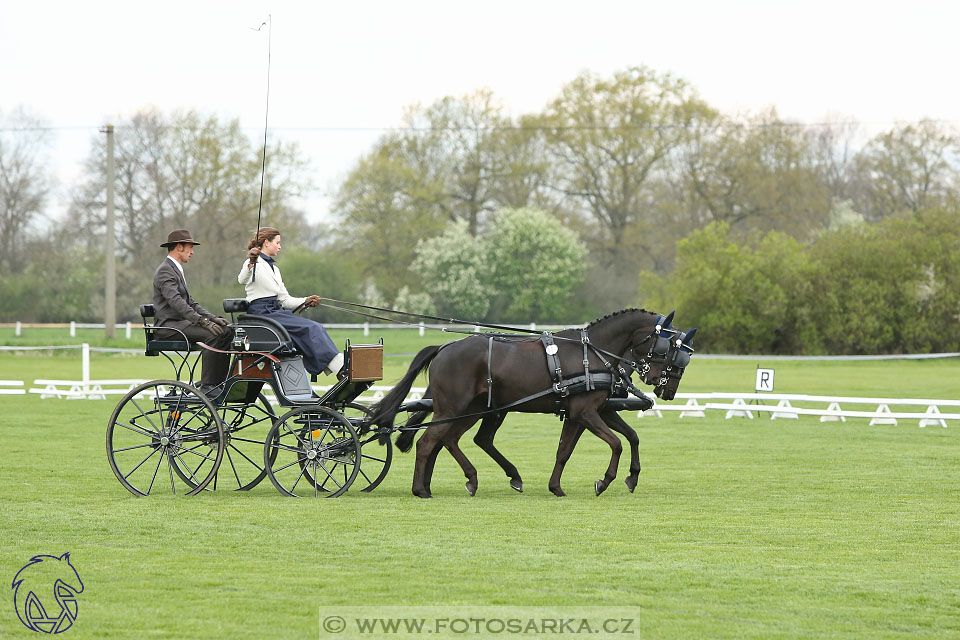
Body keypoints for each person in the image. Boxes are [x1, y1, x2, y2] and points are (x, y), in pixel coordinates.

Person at [238, 227, 344, 377]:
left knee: (315, 327)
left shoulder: (275, 269)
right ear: (267, 243)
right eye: (278, 243)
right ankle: (339, 367)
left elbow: (285, 300)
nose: (280, 246)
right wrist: (250, 262)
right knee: (312, 328)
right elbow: (241, 279)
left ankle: (336, 365)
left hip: (275, 312)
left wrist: (306, 301)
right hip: (262, 314)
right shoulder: (252, 263)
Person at [153, 229, 234, 394]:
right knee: (212, 335)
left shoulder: (176, 269)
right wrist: (202, 322)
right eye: (189, 247)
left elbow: (190, 302)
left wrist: (211, 318)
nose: (192, 251)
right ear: (179, 247)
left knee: (226, 331)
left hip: (180, 323)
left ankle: (220, 383)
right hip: (168, 326)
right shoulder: (165, 270)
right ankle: (208, 386)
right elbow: (176, 302)